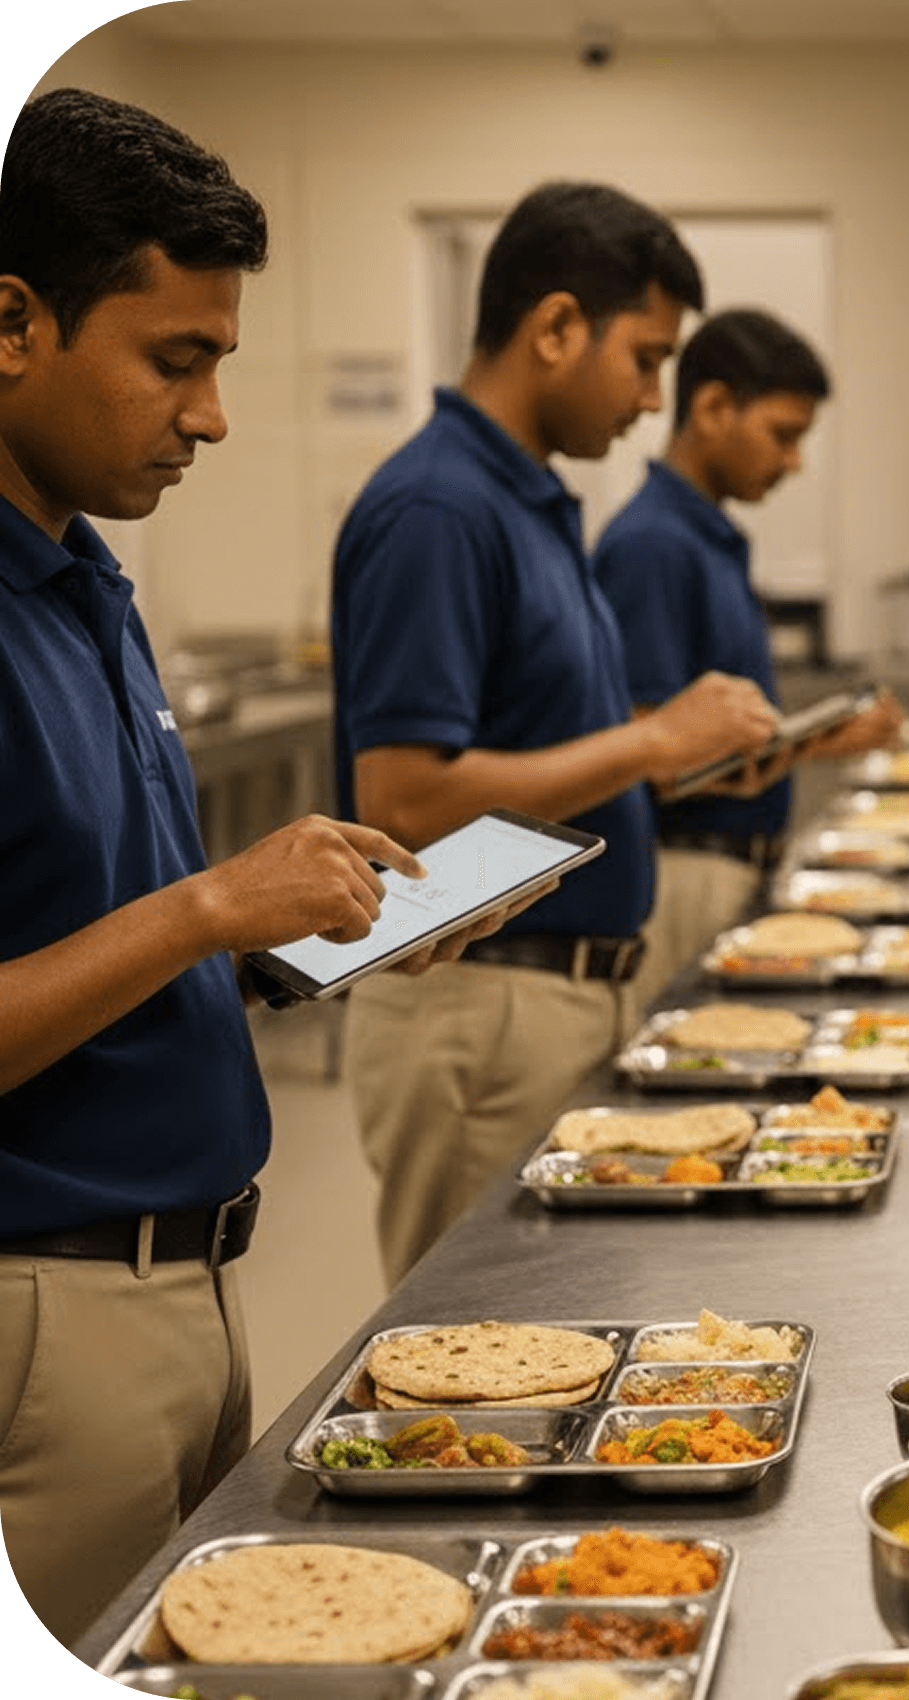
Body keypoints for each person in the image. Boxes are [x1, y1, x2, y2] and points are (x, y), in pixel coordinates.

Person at [0, 87, 487, 1646]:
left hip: (195, 1287)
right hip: (49, 1310)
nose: (209, 415)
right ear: (12, 324)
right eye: (174, 360)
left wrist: (277, 938)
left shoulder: (84, 575)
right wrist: (213, 901)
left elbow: (87, 933)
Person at [331, 183, 779, 1285]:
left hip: (563, 987)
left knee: (568, 1324)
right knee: (472, 1341)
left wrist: (690, 742)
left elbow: (545, 735)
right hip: (478, 1002)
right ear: (556, 328)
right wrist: (648, 743)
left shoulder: (526, 500)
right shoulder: (440, 508)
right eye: (644, 358)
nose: (649, 397)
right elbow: (400, 800)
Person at [595, 307, 901, 1018]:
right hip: (683, 870)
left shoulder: (707, 537)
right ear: (710, 408)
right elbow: (658, 749)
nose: (793, 461)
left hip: (728, 865)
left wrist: (817, 738)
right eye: (783, 435)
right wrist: (819, 741)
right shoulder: (652, 545)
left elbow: (708, 734)